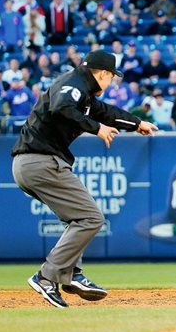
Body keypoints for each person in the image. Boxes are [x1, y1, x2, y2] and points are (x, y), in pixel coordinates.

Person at [11, 50, 158, 308]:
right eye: (111, 77)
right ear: (102, 74)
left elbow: (107, 113)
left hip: (32, 163)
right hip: (40, 160)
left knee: (79, 218)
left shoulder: (84, 93)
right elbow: (61, 106)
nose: (112, 82)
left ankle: (72, 274)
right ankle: (46, 276)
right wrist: (96, 128)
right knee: (91, 218)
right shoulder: (73, 83)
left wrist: (136, 124)